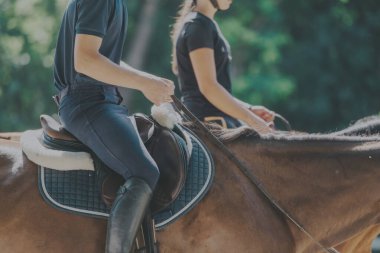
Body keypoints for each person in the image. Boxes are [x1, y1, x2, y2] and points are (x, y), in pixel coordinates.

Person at [53, 0, 174, 252]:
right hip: (88, 103)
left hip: (102, 101)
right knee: (143, 171)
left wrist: (149, 81)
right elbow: (85, 60)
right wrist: (143, 83)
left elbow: (107, 60)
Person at [171, 0, 275, 134]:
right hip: (208, 122)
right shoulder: (198, 26)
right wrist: (253, 121)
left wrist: (249, 109)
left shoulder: (205, 24)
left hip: (214, 119)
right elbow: (209, 87)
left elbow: (217, 88)